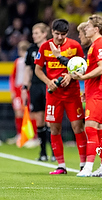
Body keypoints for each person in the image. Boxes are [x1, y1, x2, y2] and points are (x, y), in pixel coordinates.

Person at [34, 19, 87, 175]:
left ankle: (83, 164)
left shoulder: (75, 46)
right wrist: (48, 81)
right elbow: (38, 69)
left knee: (78, 127)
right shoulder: (44, 47)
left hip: (72, 93)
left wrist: (71, 76)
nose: (59, 38)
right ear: (52, 32)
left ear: (67, 34)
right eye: (57, 34)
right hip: (53, 95)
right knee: (54, 129)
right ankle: (61, 166)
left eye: (63, 35)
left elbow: (82, 67)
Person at [72, 14, 102, 177]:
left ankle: (88, 167)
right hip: (97, 92)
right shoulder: (98, 45)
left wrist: (82, 77)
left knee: (90, 129)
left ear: (96, 29)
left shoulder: (100, 44)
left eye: (88, 27)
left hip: (99, 92)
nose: (85, 29)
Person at [20, 23, 55, 161]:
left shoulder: (51, 47)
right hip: (35, 85)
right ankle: (42, 152)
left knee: (50, 119)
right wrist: (24, 87)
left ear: (44, 34)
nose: (34, 36)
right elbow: (28, 69)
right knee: (39, 119)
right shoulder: (31, 49)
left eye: (37, 33)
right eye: (33, 33)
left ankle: (54, 152)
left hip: (49, 85)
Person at [9, 40, 30, 145]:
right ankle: (19, 135)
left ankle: (29, 136)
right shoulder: (18, 62)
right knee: (18, 112)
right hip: (18, 90)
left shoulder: (29, 61)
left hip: (25, 90)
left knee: (28, 112)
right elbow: (13, 77)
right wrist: (13, 90)